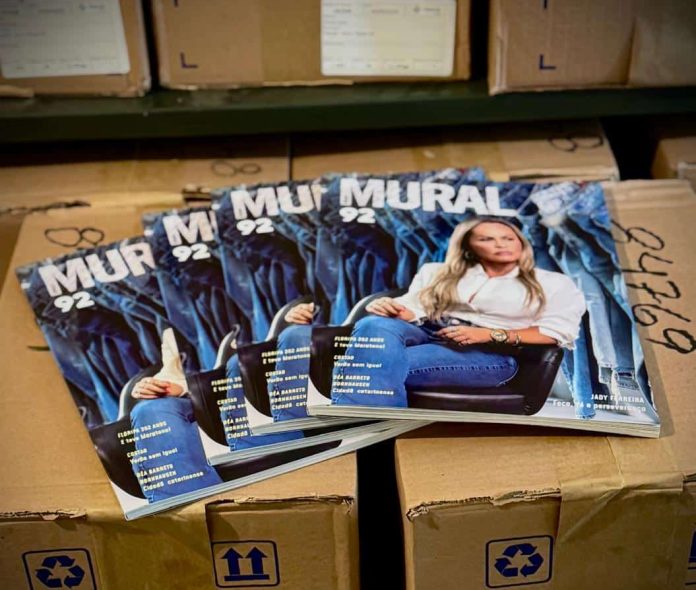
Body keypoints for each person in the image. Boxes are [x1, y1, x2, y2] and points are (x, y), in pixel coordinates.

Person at [330, 218, 587, 410]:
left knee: (369, 365)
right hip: (427, 331)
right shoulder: (436, 271)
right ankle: (372, 427)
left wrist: (489, 334)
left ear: (521, 242)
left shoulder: (552, 282)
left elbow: (556, 332)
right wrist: (390, 307)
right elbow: (414, 308)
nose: (500, 244)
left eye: (509, 238)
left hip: (488, 352)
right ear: (468, 247)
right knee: (374, 324)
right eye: (486, 239)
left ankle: (364, 433)